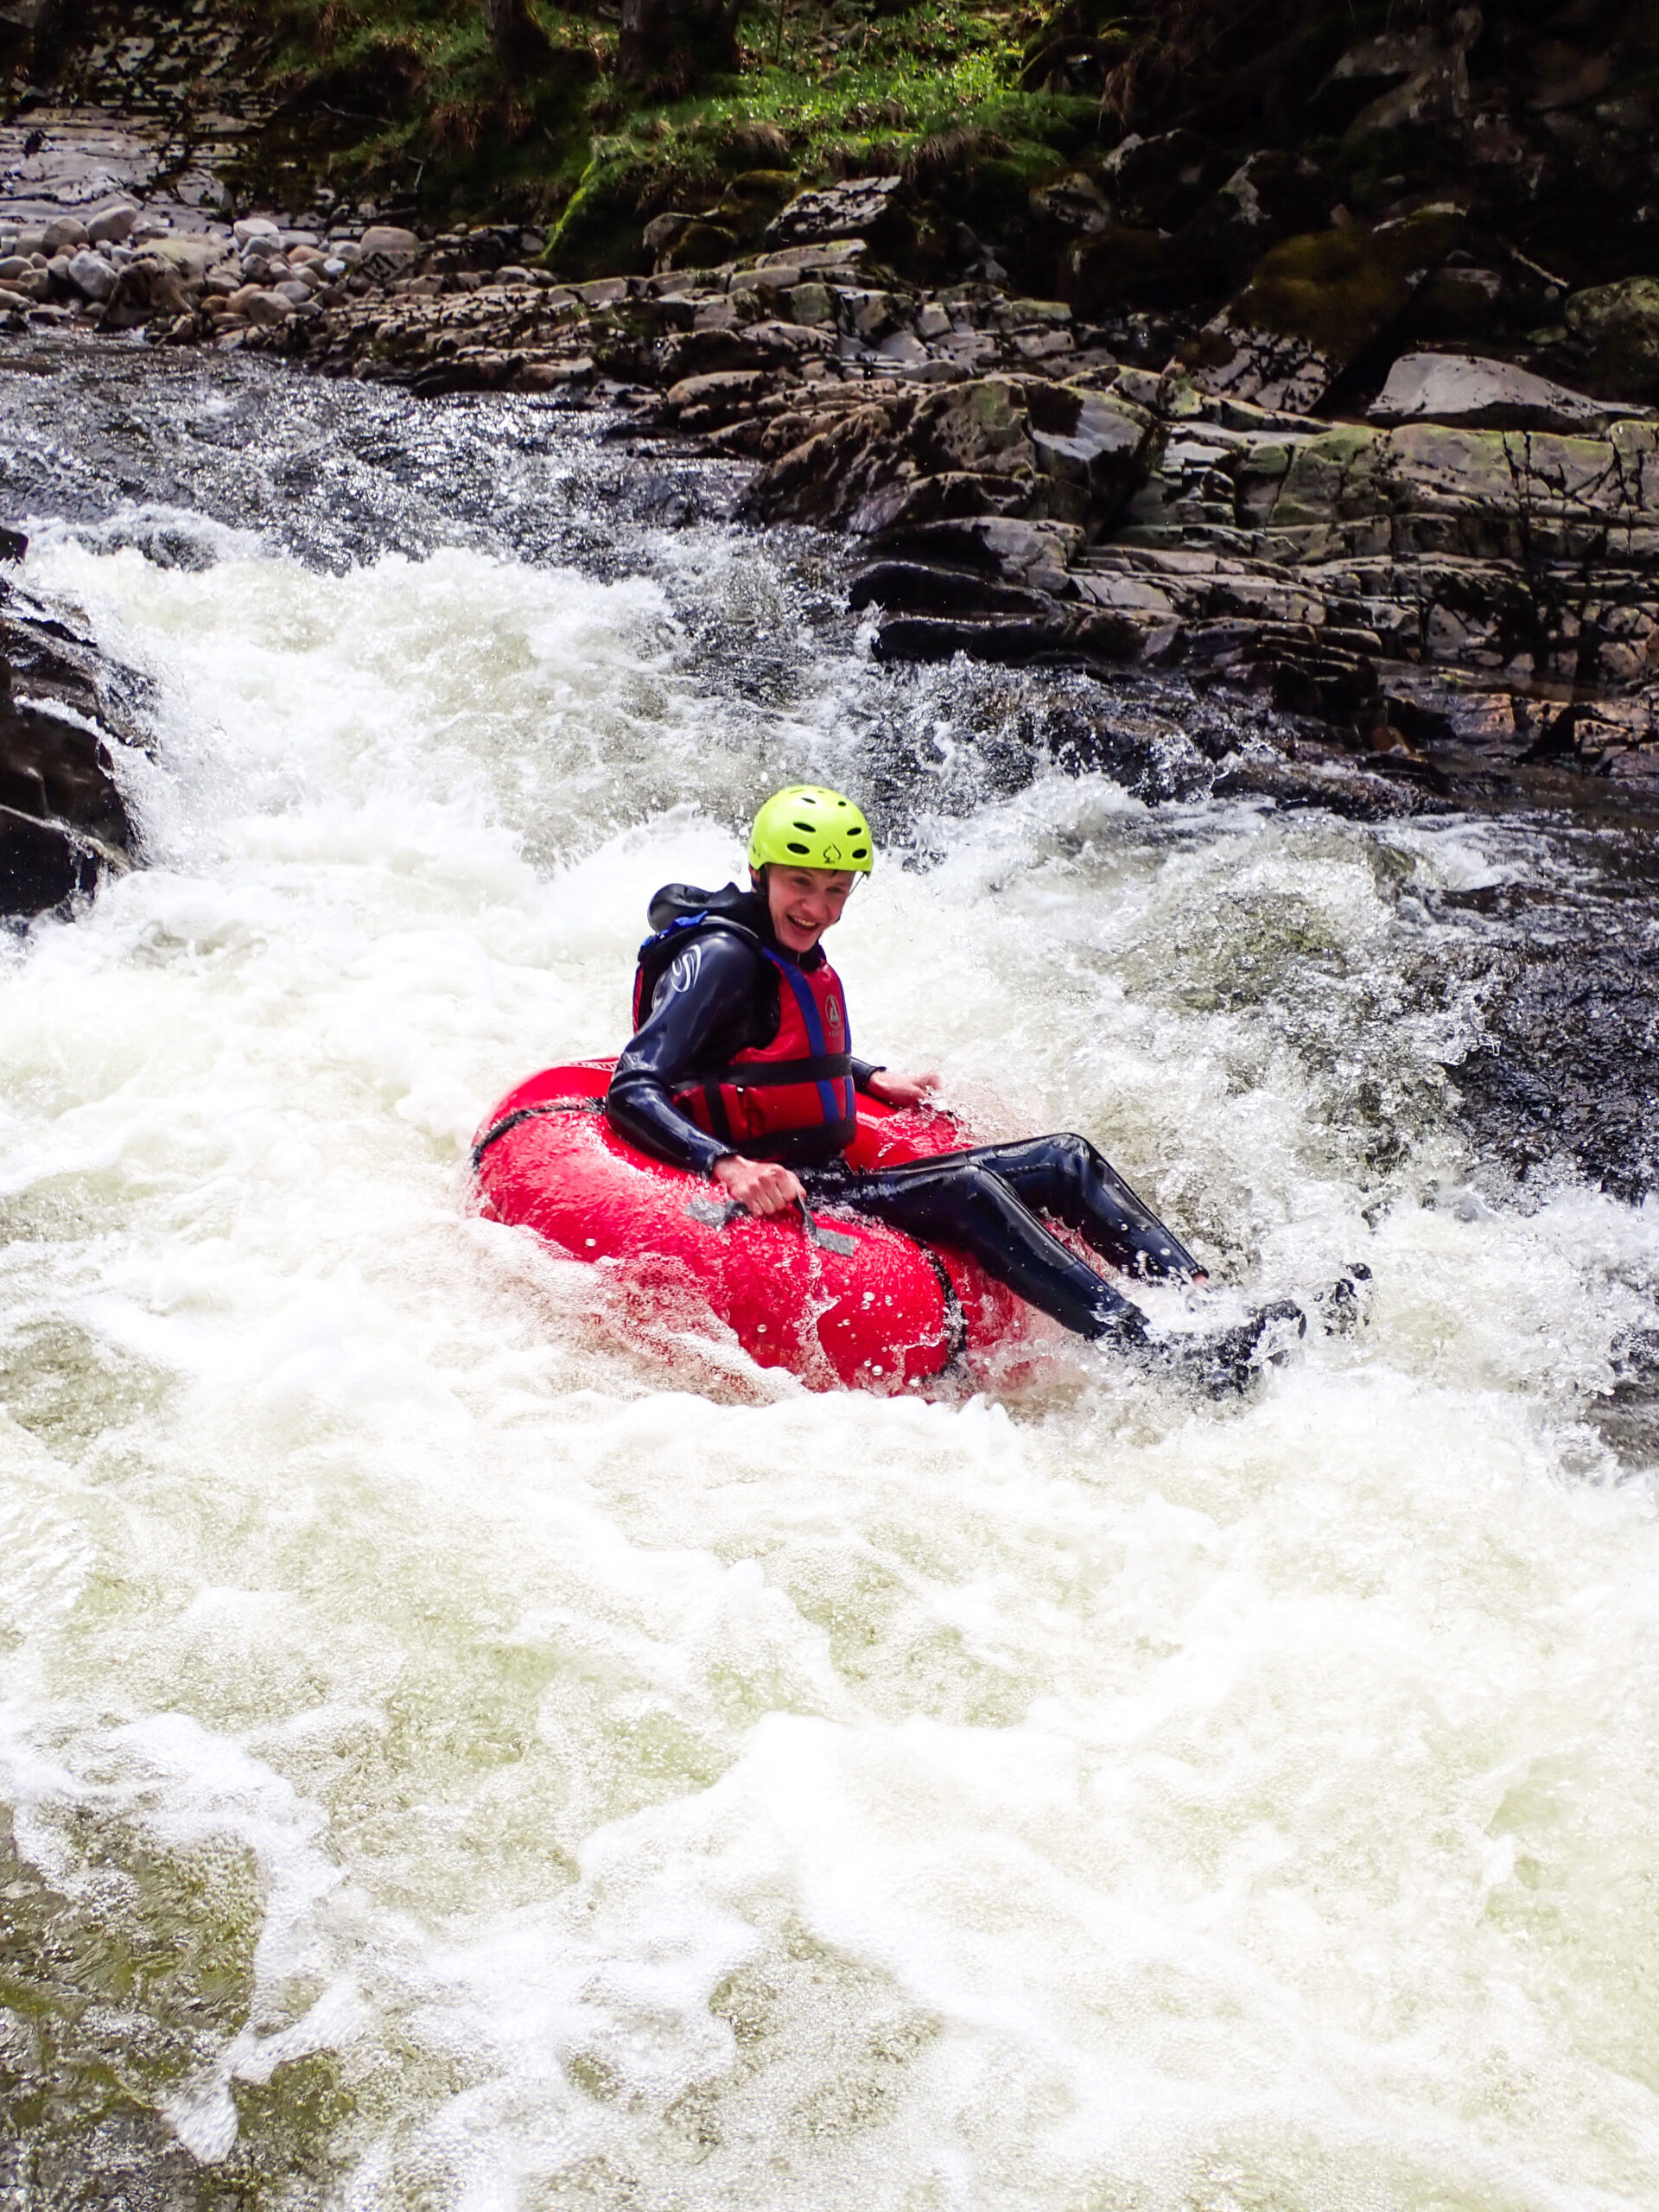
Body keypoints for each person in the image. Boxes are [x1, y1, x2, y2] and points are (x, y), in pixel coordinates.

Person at [607, 785, 1300, 1376]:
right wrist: (727, 1165)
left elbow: (765, 1050)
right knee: (969, 1189)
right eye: (801, 886)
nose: (817, 909)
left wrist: (870, 1076)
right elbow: (633, 1087)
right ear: (760, 872)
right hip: (798, 1194)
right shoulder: (724, 957)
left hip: (827, 1171)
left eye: (836, 891)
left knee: (1066, 1158)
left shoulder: (783, 949)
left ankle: (1214, 1305)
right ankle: (1151, 1353)